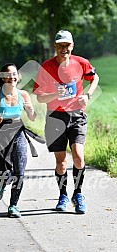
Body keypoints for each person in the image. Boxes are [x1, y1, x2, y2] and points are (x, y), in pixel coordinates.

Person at [33, 30, 99, 214]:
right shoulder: (46, 67)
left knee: (78, 157)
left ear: (72, 46)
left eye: (67, 45)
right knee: (61, 163)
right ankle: (63, 194)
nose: (64, 49)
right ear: (55, 46)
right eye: (60, 45)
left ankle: (78, 194)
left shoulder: (81, 62)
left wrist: (87, 95)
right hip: (55, 117)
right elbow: (39, 97)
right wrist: (55, 94)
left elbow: (95, 78)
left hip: (77, 115)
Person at [0, 62, 43, 218]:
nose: (12, 77)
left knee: (19, 172)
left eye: (14, 74)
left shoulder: (23, 95)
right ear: (4, 78)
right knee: (6, 171)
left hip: (18, 131)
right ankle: (2, 181)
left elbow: (32, 118)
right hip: (0, 134)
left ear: (17, 76)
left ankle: (13, 205)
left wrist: (31, 111)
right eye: (9, 74)